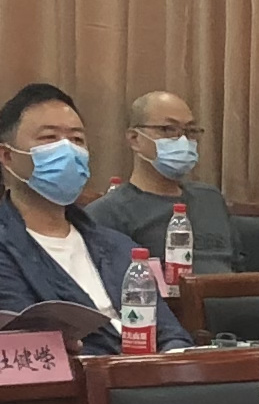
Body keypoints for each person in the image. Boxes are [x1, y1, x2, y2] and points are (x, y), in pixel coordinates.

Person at [0, 84, 190, 351]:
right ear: (7, 156)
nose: (67, 150)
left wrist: (175, 359)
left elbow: (171, 332)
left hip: (148, 373)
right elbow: (32, 349)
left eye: (77, 139)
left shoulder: (117, 245)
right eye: (49, 138)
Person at [84, 90, 235, 276]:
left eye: (190, 131)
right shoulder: (107, 213)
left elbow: (238, 266)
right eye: (168, 130)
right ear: (135, 139)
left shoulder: (210, 198)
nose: (183, 140)